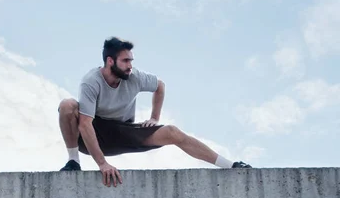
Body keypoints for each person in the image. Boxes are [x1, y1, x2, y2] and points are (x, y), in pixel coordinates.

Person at [58, 37, 251, 188]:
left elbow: (160, 85)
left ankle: (230, 165)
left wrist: (154, 118)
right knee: (67, 105)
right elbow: (84, 123)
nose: (130, 65)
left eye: (131, 60)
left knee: (172, 132)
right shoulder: (91, 81)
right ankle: (73, 162)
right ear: (110, 61)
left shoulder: (135, 77)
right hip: (92, 134)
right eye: (125, 61)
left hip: (123, 131)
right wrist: (102, 164)